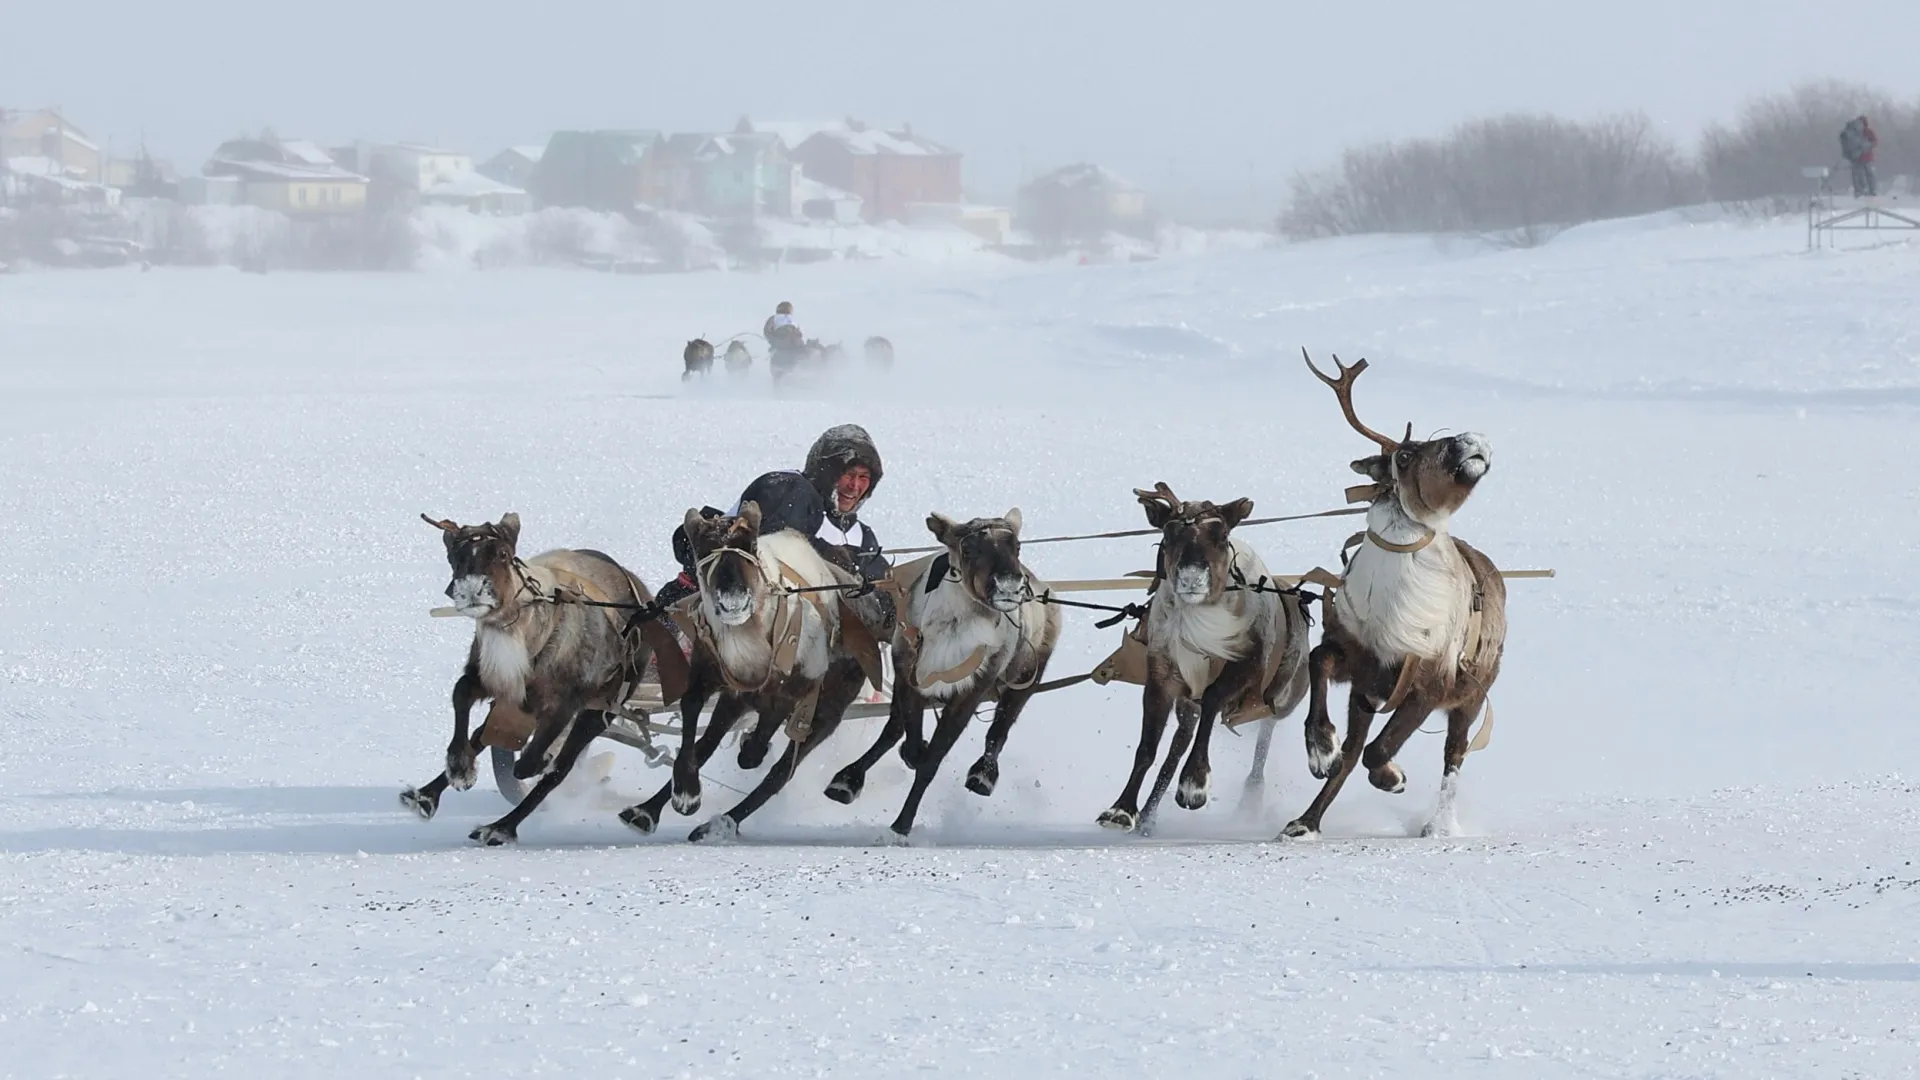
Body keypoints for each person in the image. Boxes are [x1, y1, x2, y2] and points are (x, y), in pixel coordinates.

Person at [652, 424, 889, 610]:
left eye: (864, 477)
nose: (854, 486)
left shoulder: (862, 537)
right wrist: (834, 557)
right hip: (708, 610)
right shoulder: (790, 489)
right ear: (826, 472)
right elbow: (770, 546)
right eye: (848, 474)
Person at [1841, 115, 1879, 198]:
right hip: (1863, 157)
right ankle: (1868, 190)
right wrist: (1867, 146)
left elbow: (1874, 142)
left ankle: (1863, 191)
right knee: (1866, 174)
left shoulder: (1855, 132)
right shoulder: (1863, 132)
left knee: (1860, 175)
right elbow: (1875, 142)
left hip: (1858, 157)